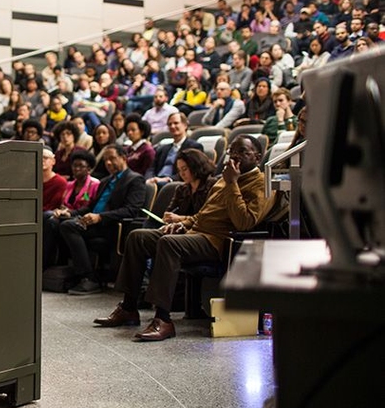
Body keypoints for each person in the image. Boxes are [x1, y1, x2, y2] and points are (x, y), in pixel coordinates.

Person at [93, 136, 270, 341]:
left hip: (218, 240)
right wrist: (183, 223)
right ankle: (129, 307)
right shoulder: (224, 179)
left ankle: (163, 319)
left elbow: (245, 222)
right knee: (138, 237)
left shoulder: (261, 183)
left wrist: (232, 183)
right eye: (232, 152)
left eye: (243, 152)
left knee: (169, 243)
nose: (236, 157)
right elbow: (203, 214)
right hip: (195, 232)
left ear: (257, 157)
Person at [59, 144, 146, 295]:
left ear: (124, 158)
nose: (108, 163)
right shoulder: (105, 181)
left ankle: (89, 278)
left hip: (112, 226)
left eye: (112, 159)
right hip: (93, 222)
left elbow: (131, 210)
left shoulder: (134, 180)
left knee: (69, 227)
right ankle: (65, 273)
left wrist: (100, 217)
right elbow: (90, 207)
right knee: (56, 221)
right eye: (106, 160)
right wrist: (71, 213)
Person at [162, 149, 218, 223]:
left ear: (196, 166)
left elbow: (208, 217)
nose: (182, 174)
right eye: (179, 170)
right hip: (179, 229)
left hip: (201, 231)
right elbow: (170, 211)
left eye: (184, 169)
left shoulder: (213, 186)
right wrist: (168, 216)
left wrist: (181, 218)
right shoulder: (181, 189)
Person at [146, 112, 200, 183]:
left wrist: (169, 179)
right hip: (157, 180)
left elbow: (191, 171)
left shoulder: (193, 147)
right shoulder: (162, 149)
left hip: (174, 183)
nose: (172, 126)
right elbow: (151, 168)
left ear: (185, 125)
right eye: (169, 124)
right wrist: (150, 179)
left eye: (176, 123)